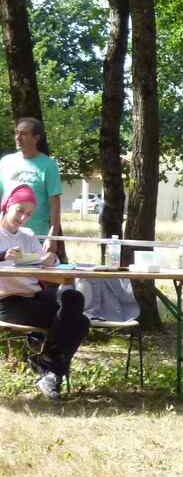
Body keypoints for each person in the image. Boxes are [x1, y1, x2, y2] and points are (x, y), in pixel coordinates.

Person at [0, 184, 89, 399]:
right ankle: (51, 370)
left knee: (74, 298)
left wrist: (50, 260)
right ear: (7, 206)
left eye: (28, 214)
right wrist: (3, 256)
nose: (23, 218)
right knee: (79, 322)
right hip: (8, 302)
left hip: (36, 296)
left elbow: (44, 264)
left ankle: (47, 363)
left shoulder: (28, 235)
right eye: (19, 211)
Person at [0, 118, 66, 261]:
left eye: (23, 134)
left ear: (36, 138)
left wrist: (52, 236)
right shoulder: (5, 162)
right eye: (16, 133)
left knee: (34, 277)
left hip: (36, 237)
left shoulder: (48, 165)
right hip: (5, 235)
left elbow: (55, 204)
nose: (18, 137)